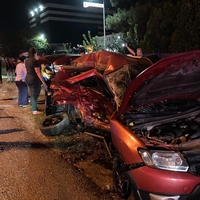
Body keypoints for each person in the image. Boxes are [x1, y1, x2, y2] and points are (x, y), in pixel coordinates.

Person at [25, 47, 48, 115]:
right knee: (35, 94)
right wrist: (43, 82)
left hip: (28, 78)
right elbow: (37, 72)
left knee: (32, 93)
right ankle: (34, 110)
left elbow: (27, 70)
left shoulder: (27, 61)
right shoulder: (34, 61)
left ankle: (33, 106)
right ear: (35, 53)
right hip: (34, 79)